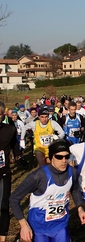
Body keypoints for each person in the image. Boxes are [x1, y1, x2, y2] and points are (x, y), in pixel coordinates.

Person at [9, 140, 85, 242]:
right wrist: (23, 224)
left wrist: (80, 208)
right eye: (59, 157)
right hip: (39, 228)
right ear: (50, 158)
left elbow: (76, 190)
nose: (64, 160)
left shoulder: (72, 172)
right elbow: (14, 198)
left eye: (67, 156)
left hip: (61, 225)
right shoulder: (38, 176)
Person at [0, 101, 21, 242]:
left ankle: (2, 238)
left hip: (3, 173)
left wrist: (16, 153)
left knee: (3, 207)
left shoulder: (10, 129)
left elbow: (14, 143)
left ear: (3, 115)